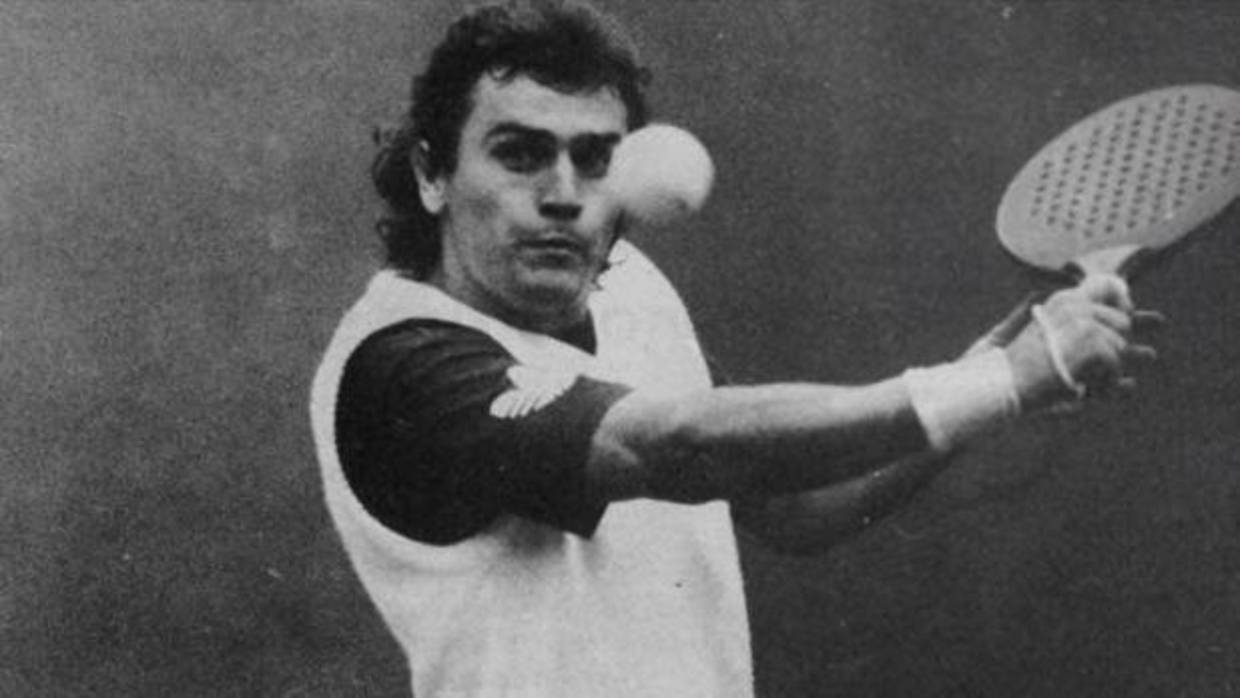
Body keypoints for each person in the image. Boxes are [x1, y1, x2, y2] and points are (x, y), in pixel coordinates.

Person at [308, 1, 1160, 695]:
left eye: (596, 160)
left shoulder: (632, 288)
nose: (564, 194)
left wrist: (981, 392)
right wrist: (1003, 379)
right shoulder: (397, 366)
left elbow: (790, 505)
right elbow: (679, 448)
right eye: (520, 154)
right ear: (432, 173)